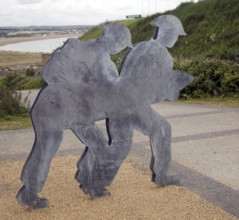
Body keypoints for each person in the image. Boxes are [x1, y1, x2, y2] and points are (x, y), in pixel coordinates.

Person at [16, 23, 133, 209]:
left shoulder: (93, 56)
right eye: (122, 44)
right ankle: (28, 193)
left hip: (76, 111)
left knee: (98, 144)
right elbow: (50, 73)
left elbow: (109, 91)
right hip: (52, 109)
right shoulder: (89, 54)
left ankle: (89, 182)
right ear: (115, 40)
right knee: (46, 149)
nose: (120, 49)